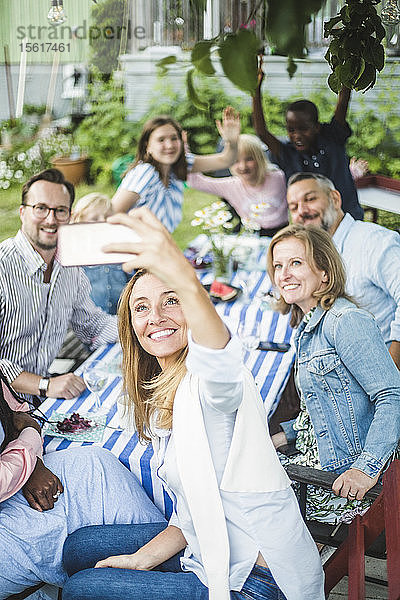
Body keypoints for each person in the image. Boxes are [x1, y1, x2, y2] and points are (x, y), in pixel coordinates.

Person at [61, 207, 324, 600]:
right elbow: (190, 513)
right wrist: (140, 561)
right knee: (77, 548)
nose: (157, 317)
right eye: (142, 307)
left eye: (172, 301)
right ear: (130, 326)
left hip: (260, 580)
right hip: (208, 543)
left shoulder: (206, 384)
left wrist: (181, 274)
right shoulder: (163, 390)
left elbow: (221, 359)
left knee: (83, 589)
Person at [266, 224, 400, 506]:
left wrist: (365, 469)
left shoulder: (345, 321)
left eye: (296, 263)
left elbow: (392, 395)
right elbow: (323, 412)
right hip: (315, 463)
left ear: (325, 274)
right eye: (278, 265)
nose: (284, 274)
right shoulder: (309, 325)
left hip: (341, 480)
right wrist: (282, 436)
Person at [0, 373, 164, 599]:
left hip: (17, 470)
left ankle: (177, 559)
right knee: (75, 562)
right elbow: (25, 425)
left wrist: (30, 455)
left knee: (97, 465)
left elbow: (23, 414)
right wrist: (29, 450)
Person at [0, 169, 118, 402]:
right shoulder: (3, 267)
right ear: (22, 212)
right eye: (41, 208)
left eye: (60, 211)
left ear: (70, 216)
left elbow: (92, 325)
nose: (51, 219)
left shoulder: (70, 268)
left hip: (39, 400)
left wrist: (142, 323)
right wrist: (45, 385)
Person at [252, 61, 364, 221]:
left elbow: (343, 100)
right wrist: (255, 90)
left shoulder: (332, 139)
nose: (297, 135)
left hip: (347, 219)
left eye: (303, 129)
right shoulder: (288, 154)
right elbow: (262, 133)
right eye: (291, 130)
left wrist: (346, 64)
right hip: (310, 226)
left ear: (317, 127)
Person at [111, 107, 240, 232]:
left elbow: (226, 160)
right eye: (161, 140)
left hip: (159, 245)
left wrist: (232, 142)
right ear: (147, 146)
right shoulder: (145, 172)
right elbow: (112, 215)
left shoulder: (178, 166)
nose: (169, 145)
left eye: (174, 138)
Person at [187, 133, 288, 237]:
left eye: (249, 159)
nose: (243, 166)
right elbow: (195, 181)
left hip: (283, 233)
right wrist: (184, 153)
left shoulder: (279, 177)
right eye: (236, 161)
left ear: (260, 158)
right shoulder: (231, 185)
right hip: (252, 237)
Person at [72, 193, 130, 314]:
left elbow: (132, 285)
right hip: (89, 322)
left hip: (120, 319)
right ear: (80, 223)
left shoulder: (120, 254)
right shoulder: (76, 257)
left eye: (107, 217)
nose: (103, 221)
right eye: (94, 218)